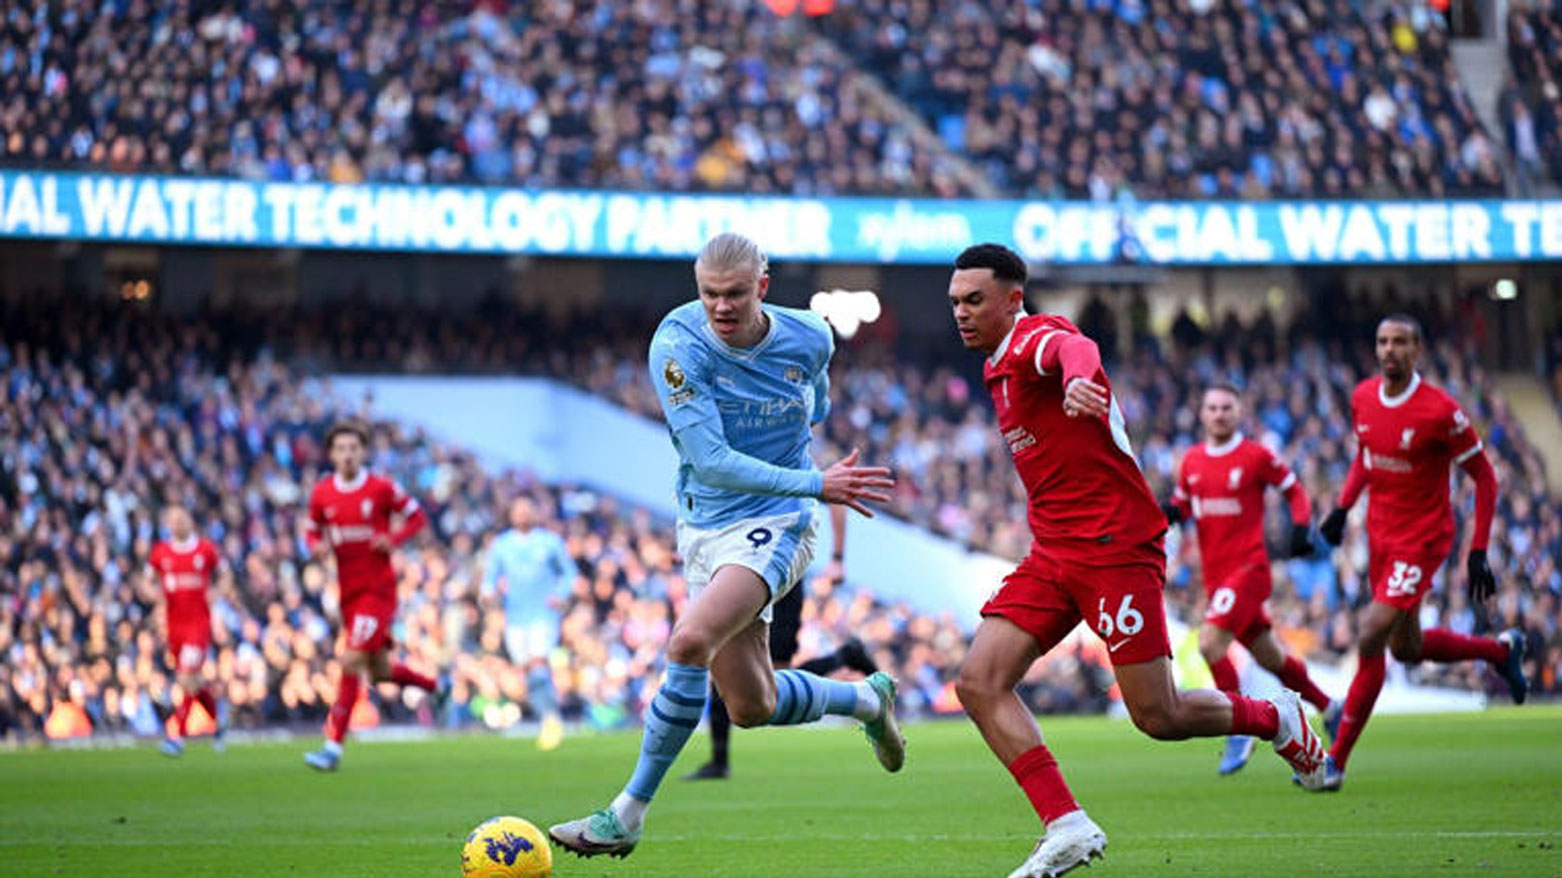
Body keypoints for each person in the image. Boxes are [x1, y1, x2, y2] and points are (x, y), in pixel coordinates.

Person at [945, 244, 1327, 878]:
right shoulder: (995, 367)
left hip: (1114, 549)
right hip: (1054, 552)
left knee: (1159, 715)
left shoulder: (1034, 340)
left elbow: (1075, 348)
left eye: (974, 300)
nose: (961, 311)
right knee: (978, 682)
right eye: (955, 302)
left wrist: (1078, 381)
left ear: (1013, 300)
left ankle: (1275, 716)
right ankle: (1067, 824)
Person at [549, 232, 903, 859]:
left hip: (779, 518)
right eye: (710, 293)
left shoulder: (811, 335)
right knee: (750, 704)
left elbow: (818, 399)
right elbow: (711, 461)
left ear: (762, 287)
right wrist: (817, 480)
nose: (721, 306)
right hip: (705, 524)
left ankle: (626, 814)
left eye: (735, 293)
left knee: (689, 641)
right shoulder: (677, 346)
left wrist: (808, 481)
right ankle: (865, 699)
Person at [1314, 315, 1527, 791]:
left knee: (1371, 633)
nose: (1389, 349)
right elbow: (1365, 456)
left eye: (1400, 342)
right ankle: (1500, 650)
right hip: (1380, 537)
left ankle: (1335, 760)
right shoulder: (1363, 397)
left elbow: (1485, 477)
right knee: (1405, 649)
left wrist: (1478, 550)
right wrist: (1342, 508)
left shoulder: (1440, 411)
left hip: (1422, 540)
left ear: (1418, 350)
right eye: (1383, 341)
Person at [1165, 384, 1340, 776]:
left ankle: (1238, 726)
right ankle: (1330, 707)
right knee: (1270, 657)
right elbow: (1183, 505)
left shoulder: (1255, 456)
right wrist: (1167, 513)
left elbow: (1294, 490)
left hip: (1249, 570)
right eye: (1212, 407)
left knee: (1209, 643)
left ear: (1238, 412)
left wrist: (1301, 527)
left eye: (1226, 407)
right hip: (1217, 579)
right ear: (1202, 414)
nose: (1219, 414)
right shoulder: (1192, 461)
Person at [683, 504, 879, 781]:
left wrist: (837, 557)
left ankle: (847, 659)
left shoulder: (786, 477)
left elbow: (834, 497)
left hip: (776, 571)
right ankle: (718, 761)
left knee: (772, 683)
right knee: (724, 664)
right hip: (735, 571)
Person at [302, 420, 437, 771]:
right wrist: (315, 547)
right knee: (378, 672)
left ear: (363, 452)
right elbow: (311, 530)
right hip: (348, 591)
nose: (347, 454)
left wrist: (393, 539)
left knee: (350, 660)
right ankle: (435, 685)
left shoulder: (381, 488)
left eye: (353, 448)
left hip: (378, 591)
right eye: (341, 448)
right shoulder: (322, 493)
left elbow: (417, 517)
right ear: (332, 454)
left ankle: (333, 746)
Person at [483, 496, 576, 750]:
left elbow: (569, 573)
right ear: (511, 514)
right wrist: (488, 592)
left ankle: (551, 720)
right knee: (526, 671)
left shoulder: (550, 542)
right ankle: (548, 715)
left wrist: (561, 594)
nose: (523, 514)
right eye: (518, 510)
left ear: (535, 514)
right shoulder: (502, 545)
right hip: (515, 617)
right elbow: (490, 577)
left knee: (538, 663)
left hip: (543, 614)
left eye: (527, 510)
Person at [148, 506, 228, 756]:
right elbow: (146, 581)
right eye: (173, 521)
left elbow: (225, 575)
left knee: (185, 677)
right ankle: (219, 721)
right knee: (193, 681)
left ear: (190, 521)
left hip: (198, 624)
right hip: (174, 626)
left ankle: (177, 737)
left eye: (181, 520)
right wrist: (155, 597)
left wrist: (218, 593)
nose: (178, 525)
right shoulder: (161, 552)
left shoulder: (205, 549)